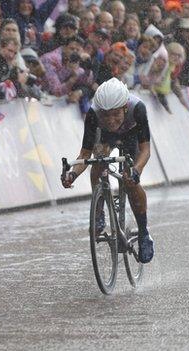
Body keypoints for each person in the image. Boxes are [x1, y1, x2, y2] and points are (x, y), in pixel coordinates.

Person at [61, 77, 154, 264]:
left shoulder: (138, 108)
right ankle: (99, 211)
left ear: (125, 108)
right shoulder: (94, 114)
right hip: (105, 139)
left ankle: (144, 234)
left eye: (115, 114)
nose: (111, 120)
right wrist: (72, 174)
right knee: (98, 162)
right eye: (106, 115)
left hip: (131, 138)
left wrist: (136, 170)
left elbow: (145, 151)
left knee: (131, 181)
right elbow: (84, 155)